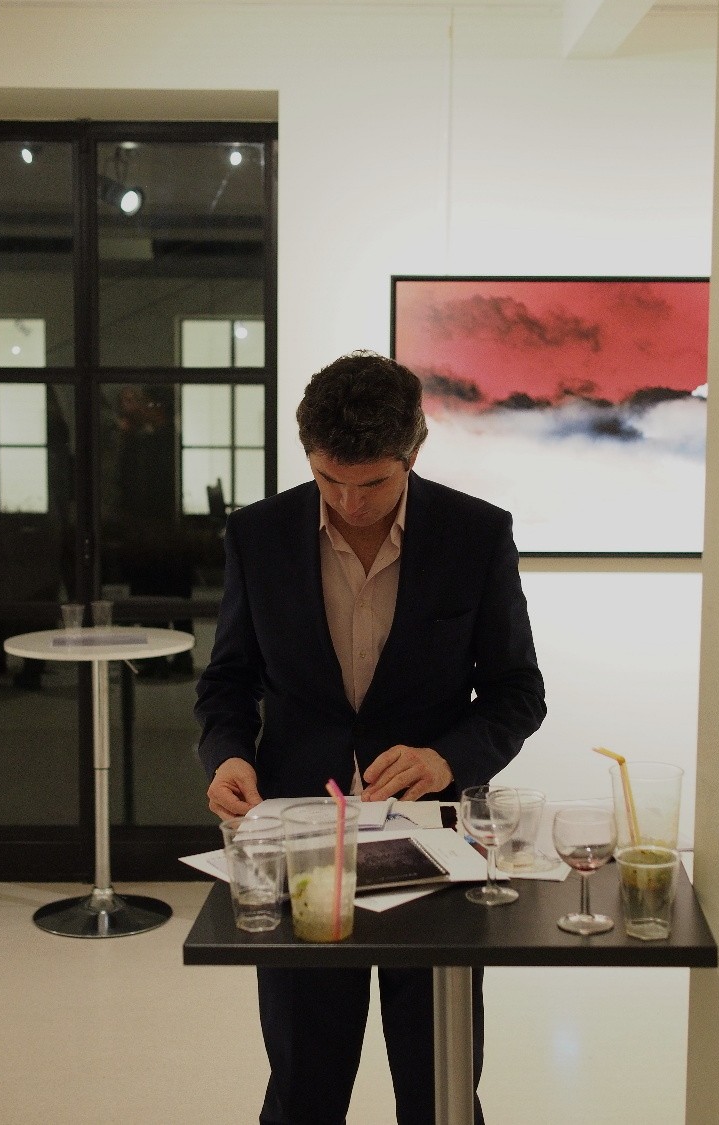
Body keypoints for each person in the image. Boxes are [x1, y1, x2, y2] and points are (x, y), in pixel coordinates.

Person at [195, 351, 546, 1125]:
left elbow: (518, 692)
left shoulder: (475, 533)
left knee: (439, 1087)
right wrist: (227, 754)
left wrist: (446, 757)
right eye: (329, 480)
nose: (350, 504)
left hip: (437, 848)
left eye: (374, 483)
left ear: (413, 452)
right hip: (302, 845)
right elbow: (228, 681)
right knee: (304, 1088)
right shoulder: (258, 534)